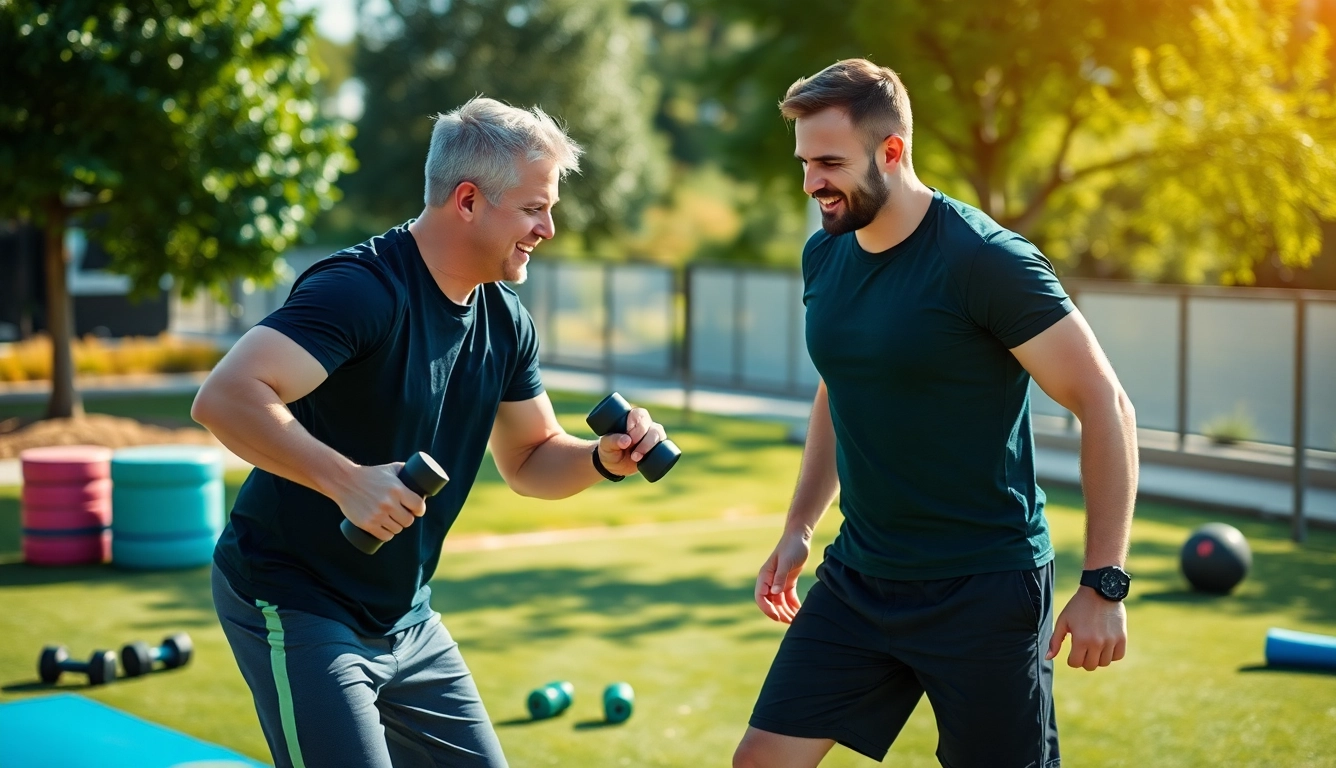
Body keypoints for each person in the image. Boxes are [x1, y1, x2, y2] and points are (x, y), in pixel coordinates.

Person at [192, 97, 668, 768]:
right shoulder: (362, 291)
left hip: (406, 617)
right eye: (535, 208)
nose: (548, 229)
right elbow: (225, 397)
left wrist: (603, 459)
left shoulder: (505, 318)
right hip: (292, 594)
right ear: (468, 200)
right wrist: (349, 483)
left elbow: (530, 458)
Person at [733, 59, 1139, 768]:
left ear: (892, 151)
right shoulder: (824, 255)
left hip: (983, 588)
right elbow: (841, 384)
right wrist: (799, 527)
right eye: (804, 162)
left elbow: (1105, 404)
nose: (811, 184)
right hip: (861, 578)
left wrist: (1103, 583)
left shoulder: (983, 260)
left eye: (829, 162)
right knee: (762, 760)